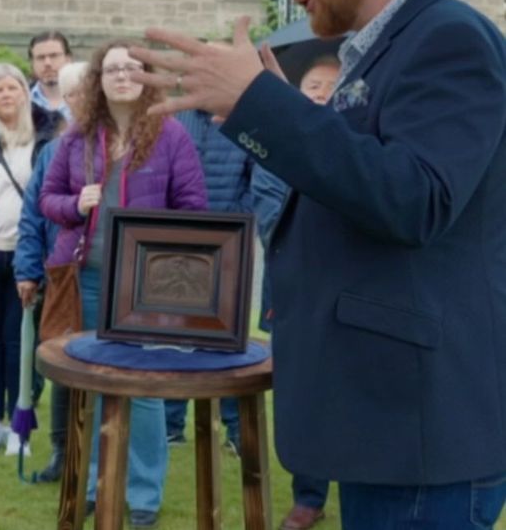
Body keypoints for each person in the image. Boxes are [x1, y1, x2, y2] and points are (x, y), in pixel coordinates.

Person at [131, 0, 506, 526]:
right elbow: (357, 182)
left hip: (423, 435)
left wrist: (265, 106)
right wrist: (273, 110)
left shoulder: (450, 38)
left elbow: (416, 198)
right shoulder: (382, 51)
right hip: (388, 428)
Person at [40, 40, 207, 528]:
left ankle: (143, 498)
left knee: (146, 390)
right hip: (88, 279)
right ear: (99, 79)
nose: (123, 76)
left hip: (145, 287)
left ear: (147, 76)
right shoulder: (76, 138)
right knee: (93, 384)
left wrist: (162, 249)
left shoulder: (172, 136)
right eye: (113, 68)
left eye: (133, 67)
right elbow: (48, 198)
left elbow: (194, 207)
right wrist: (76, 206)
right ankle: (94, 483)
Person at [252, 55, 340, 530]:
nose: (322, 92)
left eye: (332, 85)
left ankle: (359, 482)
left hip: (351, 297)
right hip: (294, 296)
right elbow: (270, 217)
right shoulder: (275, 149)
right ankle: (308, 496)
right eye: (313, 84)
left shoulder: (362, 149)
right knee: (303, 396)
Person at [0, 63, 62, 457]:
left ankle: (19, 422)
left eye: (13, 88)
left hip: (29, 254)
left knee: (20, 340)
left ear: (25, 92)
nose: (6, 96)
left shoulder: (47, 135)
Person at [165, 94, 256, 453]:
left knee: (227, 339)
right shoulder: (175, 117)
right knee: (175, 334)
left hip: (229, 239)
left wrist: (237, 215)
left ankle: (233, 429)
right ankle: (172, 426)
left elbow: (258, 176)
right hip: (178, 241)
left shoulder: (245, 117)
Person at [13, 60, 89, 483]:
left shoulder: (121, 145)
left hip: (101, 274)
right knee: (63, 365)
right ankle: (63, 452)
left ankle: (99, 455)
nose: (77, 102)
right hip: (59, 275)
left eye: (84, 92)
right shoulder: (55, 151)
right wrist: (27, 271)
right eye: (70, 94)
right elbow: (32, 215)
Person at [28, 31, 73, 121]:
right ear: (32, 63)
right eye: (40, 57)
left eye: (54, 56)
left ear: (68, 59)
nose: (47, 63)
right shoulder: (22, 100)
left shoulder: (89, 100)